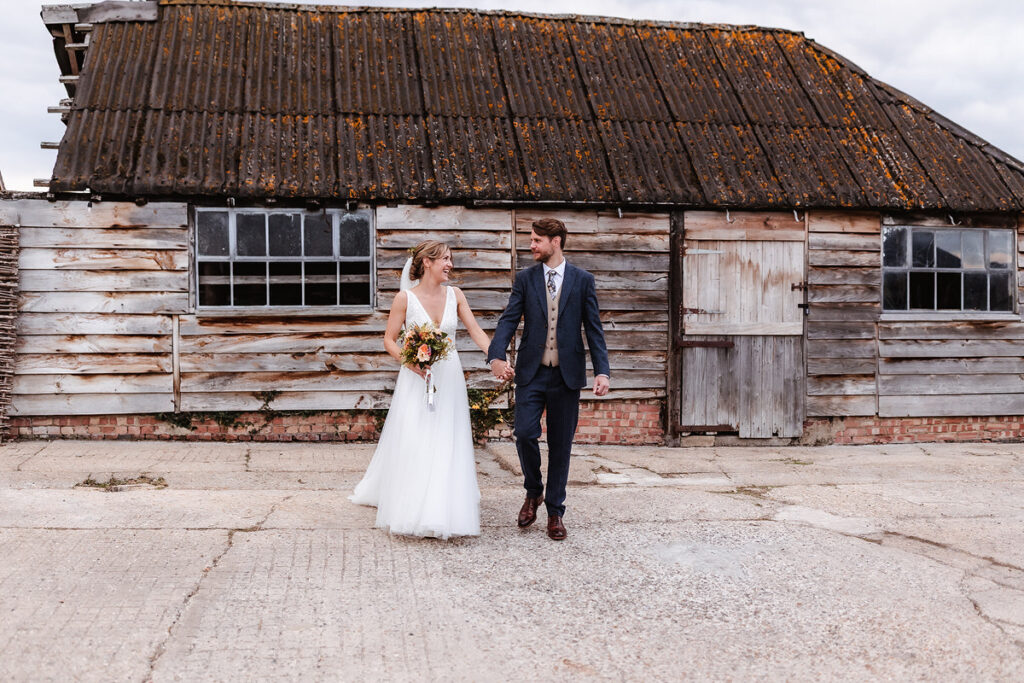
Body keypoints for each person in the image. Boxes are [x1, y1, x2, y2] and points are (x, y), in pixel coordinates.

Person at [350, 240, 493, 540]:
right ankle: (413, 506)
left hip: (449, 377)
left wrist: (496, 358)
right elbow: (389, 340)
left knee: (447, 437)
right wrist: (411, 362)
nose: (450, 264)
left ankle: (444, 507)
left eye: (451, 258)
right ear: (426, 262)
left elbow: (477, 332)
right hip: (417, 378)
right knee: (417, 437)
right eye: (444, 259)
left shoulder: (456, 295)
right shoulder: (405, 298)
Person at [488, 218, 611, 541]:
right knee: (524, 433)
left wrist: (602, 371)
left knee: (561, 446)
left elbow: (593, 328)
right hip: (531, 372)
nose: (532, 245)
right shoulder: (526, 279)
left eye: (537, 240)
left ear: (555, 241)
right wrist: (496, 355)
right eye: (532, 239)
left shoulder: (583, 280)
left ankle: (555, 511)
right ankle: (534, 491)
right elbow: (509, 319)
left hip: (567, 376)